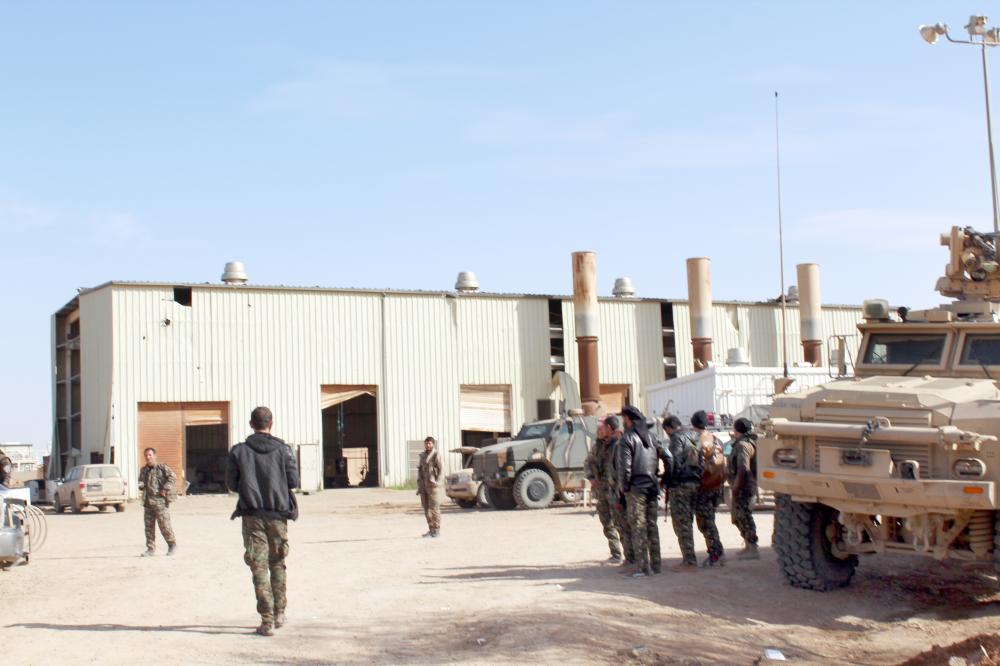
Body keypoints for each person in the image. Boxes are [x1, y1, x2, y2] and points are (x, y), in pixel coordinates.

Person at [226, 406, 300, 637]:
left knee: (258, 566)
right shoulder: (284, 450)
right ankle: (279, 613)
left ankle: (266, 620)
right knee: (277, 562)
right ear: (271, 423)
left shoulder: (238, 451)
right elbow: (294, 481)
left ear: (251, 424)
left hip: (252, 515)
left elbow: (231, 484)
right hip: (278, 515)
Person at [618, 405, 668, 577]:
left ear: (629, 420)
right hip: (652, 487)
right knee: (652, 526)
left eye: (624, 418)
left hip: (636, 489)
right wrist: (664, 478)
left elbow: (625, 469)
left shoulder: (627, 438)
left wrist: (624, 489)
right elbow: (668, 457)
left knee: (638, 527)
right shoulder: (652, 437)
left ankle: (642, 568)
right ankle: (656, 565)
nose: (623, 422)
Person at [664, 415, 701, 572]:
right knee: (688, 521)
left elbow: (674, 462)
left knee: (681, 524)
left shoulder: (676, 438)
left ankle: (689, 561)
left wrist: (667, 481)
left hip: (680, 485)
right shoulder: (695, 436)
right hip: (695, 483)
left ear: (668, 428)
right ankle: (690, 558)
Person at [584, 417, 623, 563]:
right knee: (607, 522)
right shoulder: (599, 446)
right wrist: (591, 477)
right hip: (602, 490)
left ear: (608, 428)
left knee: (620, 522)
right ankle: (616, 553)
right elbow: (588, 462)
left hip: (615, 490)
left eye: (601, 428)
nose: (598, 431)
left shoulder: (620, 443)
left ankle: (630, 556)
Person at [691, 410, 725, 567]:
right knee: (710, 520)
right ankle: (717, 552)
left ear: (694, 425)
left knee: (705, 523)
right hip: (716, 485)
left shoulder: (698, 441)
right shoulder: (716, 439)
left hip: (703, 487)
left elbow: (694, 464)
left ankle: (715, 554)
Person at [604, 415, 634, 568]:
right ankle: (631, 558)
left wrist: (618, 493)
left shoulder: (618, 444)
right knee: (623, 525)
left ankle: (631, 559)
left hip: (620, 491)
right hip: (621, 490)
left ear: (609, 427)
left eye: (604, 427)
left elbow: (619, 471)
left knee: (623, 525)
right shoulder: (614, 443)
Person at [729, 417, 760, 559]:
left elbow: (743, 468)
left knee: (743, 516)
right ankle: (748, 544)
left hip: (743, 486)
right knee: (738, 516)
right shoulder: (746, 442)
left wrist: (736, 486)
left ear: (737, 430)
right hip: (744, 485)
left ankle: (752, 547)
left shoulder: (743, 445)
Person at [138, 447, 177, 557]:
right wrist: (141, 485)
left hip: (160, 502)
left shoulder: (162, 468)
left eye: (150, 455)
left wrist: (165, 488)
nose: (148, 457)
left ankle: (172, 544)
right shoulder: (144, 470)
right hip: (148, 503)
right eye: (146, 455)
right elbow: (141, 482)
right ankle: (150, 549)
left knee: (165, 525)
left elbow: (172, 477)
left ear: (154, 456)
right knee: (149, 528)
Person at [417, 436, 442, 538]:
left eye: (430, 443)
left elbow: (441, 470)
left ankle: (436, 530)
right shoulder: (422, 456)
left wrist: (437, 482)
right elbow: (420, 470)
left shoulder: (436, 455)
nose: (428, 445)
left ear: (433, 444)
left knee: (434, 508)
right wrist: (419, 485)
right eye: (426, 443)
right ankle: (431, 529)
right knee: (426, 509)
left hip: (433, 486)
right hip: (424, 485)